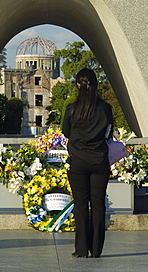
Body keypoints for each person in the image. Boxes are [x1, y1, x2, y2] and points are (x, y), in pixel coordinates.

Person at [62, 67, 113, 258]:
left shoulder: (71, 109)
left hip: (78, 161)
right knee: (98, 204)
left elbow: (66, 131)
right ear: (96, 85)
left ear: (77, 85)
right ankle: (97, 248)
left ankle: (81, 249)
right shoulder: (106, 108)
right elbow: (109, 131)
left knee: (81, 204)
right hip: (99, 160)